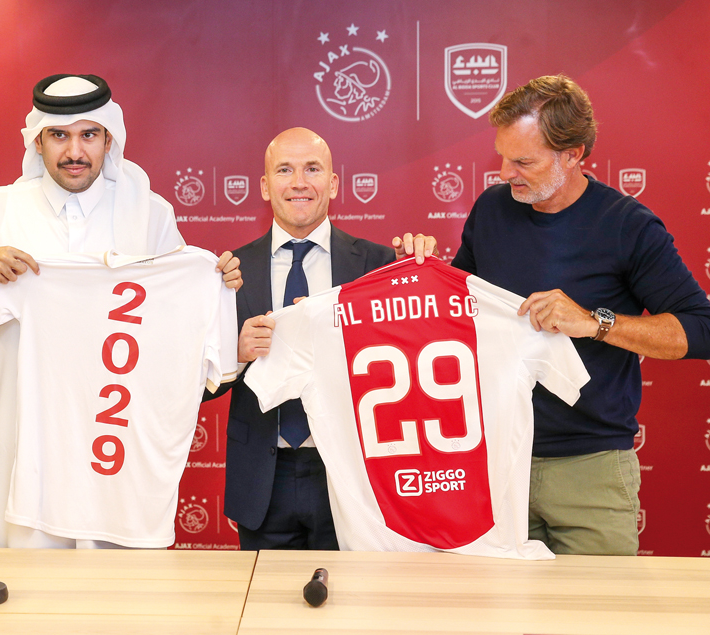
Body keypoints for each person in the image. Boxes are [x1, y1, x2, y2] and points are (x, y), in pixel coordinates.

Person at [0, 74, 241, 548]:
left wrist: (213, 285)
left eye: (89, 135)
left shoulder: (151, 214)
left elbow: (172, 327)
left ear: (109, 139)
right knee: (17, 590)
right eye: (59, 136)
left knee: (109, 603)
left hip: (111, 452)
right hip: (19, 444)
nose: (75, 151)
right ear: (37, 141)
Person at [452, 75, 710, 555]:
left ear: (573, 155)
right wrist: (412, 272)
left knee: (597, 623)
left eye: (523, 161)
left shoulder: (628, 227)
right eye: (502, 156)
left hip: (590, 469)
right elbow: (456, 308)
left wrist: (595, 322)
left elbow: (701, 328)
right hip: (494, 463)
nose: (505, 172)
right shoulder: (490, 211)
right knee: (497, 625)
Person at [216, 127, 436, 550]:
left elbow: (418, 362)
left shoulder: (378, 265)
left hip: (352, 476)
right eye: (285, 170)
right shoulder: (228, 272)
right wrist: (235, 354)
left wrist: (421, 276)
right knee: (265, 611)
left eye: (312, 169)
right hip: (263, 481)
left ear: (333, 183)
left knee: (353, 611)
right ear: (265, 186)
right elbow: (196, 389)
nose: (299, 182)